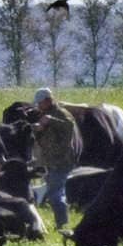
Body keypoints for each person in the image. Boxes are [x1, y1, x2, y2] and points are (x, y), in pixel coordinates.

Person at [30, 87, 79, 229]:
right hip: (49, 161)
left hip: (61, 161)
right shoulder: (45, 114)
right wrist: (36, 127)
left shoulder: (61, 114)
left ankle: (62, 225)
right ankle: (61, 223)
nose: (38, 106)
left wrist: (50, 121)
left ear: (48, 100)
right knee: (55, 193)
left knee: (55, 194)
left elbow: (69, 126)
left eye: (40, 103)